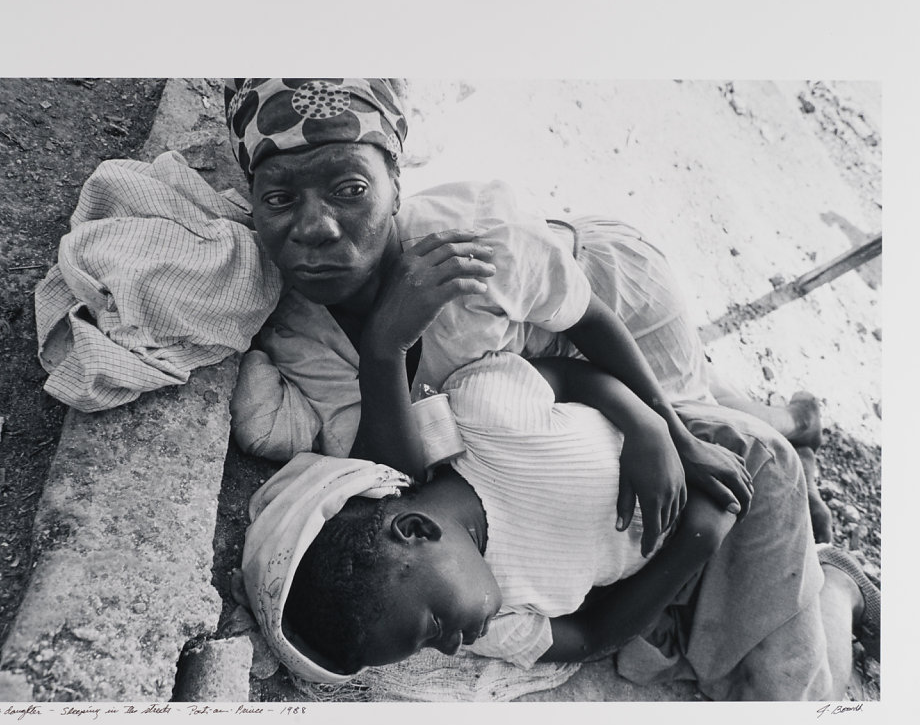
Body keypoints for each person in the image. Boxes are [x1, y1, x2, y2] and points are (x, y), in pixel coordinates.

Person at [225, 78, 832, 543]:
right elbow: (396, 475)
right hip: (532, 347)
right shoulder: (298, 333)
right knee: (676, 401)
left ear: (396, 188)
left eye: (350, 190)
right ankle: (783, 415)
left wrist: (672, 433)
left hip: (612, 289)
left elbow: (591, 323)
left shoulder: (473, 243)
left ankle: (789, 431)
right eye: (279, 198)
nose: (315, 228)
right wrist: (385, 349)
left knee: (697, 429)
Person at [241, 351, 880, 700]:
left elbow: (575, 373)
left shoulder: (486, 422)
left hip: (725, 466)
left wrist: (651, 429)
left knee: (785, 702)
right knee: (739, 691)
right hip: (693, 545)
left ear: (413, 530)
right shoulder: (495, 623)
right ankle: (823, 570)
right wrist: (693, 545)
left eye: (430, 629)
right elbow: (594, 632)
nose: (449, 648)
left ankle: (835, 580)